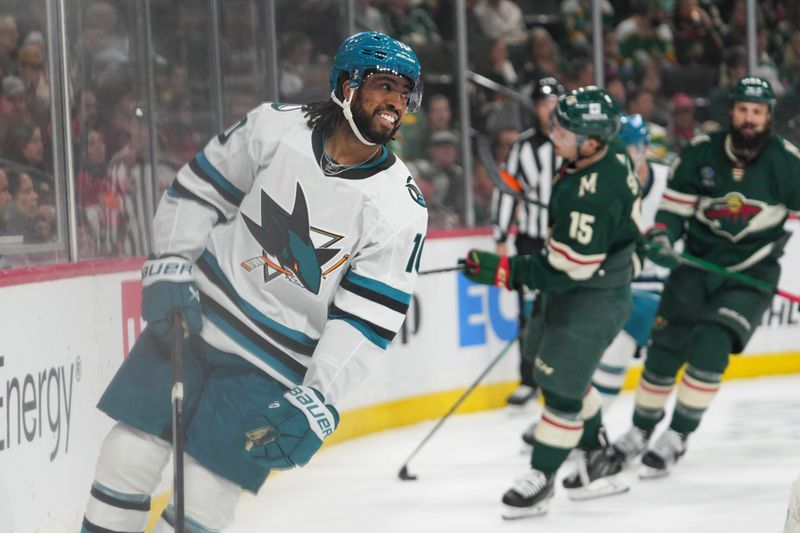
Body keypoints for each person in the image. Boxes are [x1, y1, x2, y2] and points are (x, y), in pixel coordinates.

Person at [81, 31, 427, 533]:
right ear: (345, 86)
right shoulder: (275, 127)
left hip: (273, 365)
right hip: (197, 314)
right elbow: (201, 188)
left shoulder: (401, 206)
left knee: (206, 499)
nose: (395, 101)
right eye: (382, 85)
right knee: (127, 455)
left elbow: (368, 319)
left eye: (404, 90)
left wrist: (320, 397)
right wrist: (172, 261)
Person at [605, 76, 800, 479]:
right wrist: (662, 235)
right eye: (743, 110)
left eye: (757, 112)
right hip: (695, 266)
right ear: (731, 111)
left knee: (711, 344)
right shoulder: (699, 153)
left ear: (769, 116)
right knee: (663, 350)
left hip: (752, 274)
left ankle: (677, 433)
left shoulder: (787, 163)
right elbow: (673, 213)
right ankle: (641, 429)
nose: (749, 119)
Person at [462, 86, 642, 519]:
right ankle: (596, 462)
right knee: (553, 366)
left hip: (594, 293)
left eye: (565, 129)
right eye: (557, 121)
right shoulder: (602, 154)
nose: (554, 131)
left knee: (561, 387)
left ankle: (541, 477)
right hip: (584, 283)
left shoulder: (591, 194)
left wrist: (503, 270)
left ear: (592, 141)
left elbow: (568, 266)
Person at [491, 76, 564, 410]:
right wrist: (501, 237)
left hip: (568, 241)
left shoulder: (577, 141)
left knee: (566, 313)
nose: (547, 110)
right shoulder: (522, 147)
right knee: (530, 313)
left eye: (552, 103)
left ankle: (564, 377)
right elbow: (507, 191)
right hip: (532, 243)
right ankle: (528, 379)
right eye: (542, 104)